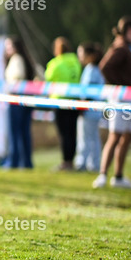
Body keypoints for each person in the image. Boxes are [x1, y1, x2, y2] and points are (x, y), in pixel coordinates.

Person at [95, 16, 131, 189]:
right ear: (130, 29)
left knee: (128, 136)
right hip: (121, 98)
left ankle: (118, 176)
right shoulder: (120, 47)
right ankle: (102, 176)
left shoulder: (129, 47)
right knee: (115, 136)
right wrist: (120, 86)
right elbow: (104, 67)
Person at [45, 37, 82, 171]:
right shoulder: (76, 62)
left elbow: (47, 78)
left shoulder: (55, 63)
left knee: (64, 134)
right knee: (72, 133)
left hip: (60, 102)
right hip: (75, 101)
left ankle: (66, 162)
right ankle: (71, 161)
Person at [2, 37, 36, 169]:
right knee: (24, 132)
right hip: (26, 98)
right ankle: (26, 162)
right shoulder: (24, 59)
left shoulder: (16, 59)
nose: (7, 49)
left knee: (14, 131)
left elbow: (16, 77)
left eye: (9, 46)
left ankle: (14, 161)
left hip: (16, 98)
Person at [75, 43, 104, 172]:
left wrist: (82, 107)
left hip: (89, 110)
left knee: (87, 138)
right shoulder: (93, 69)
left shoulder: (92, 70)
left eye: (81, 54)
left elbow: (89, 93)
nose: (79, 57)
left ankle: (85, 163)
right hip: (93, 110)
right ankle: (93, 163)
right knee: (92, 137)